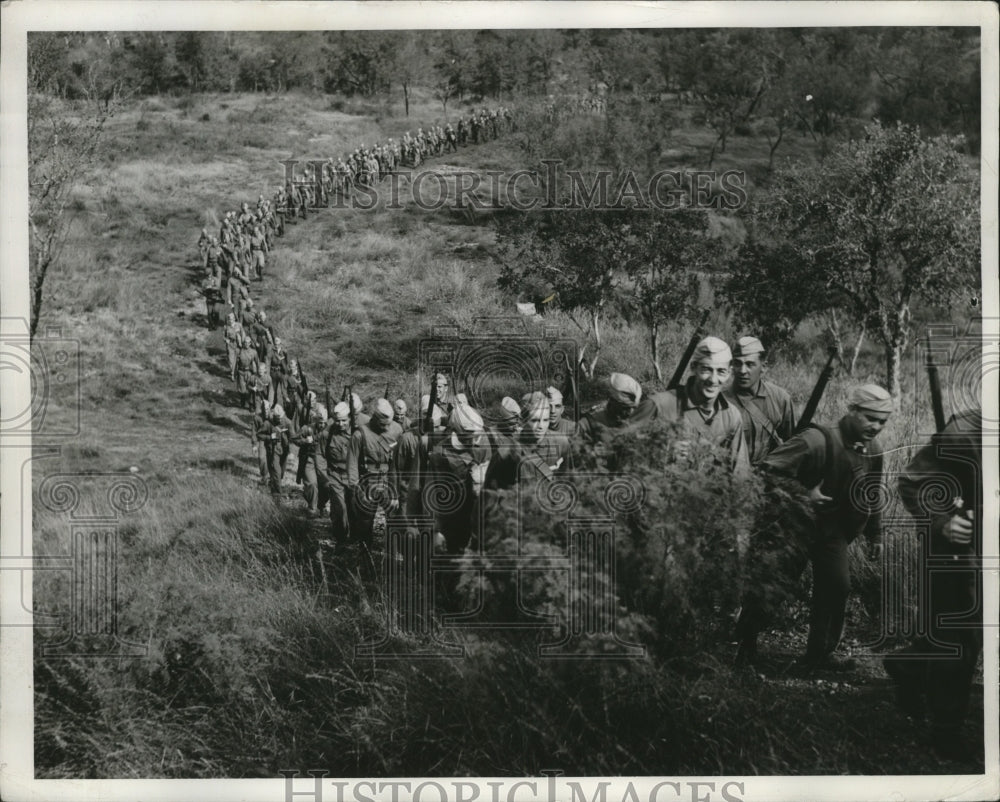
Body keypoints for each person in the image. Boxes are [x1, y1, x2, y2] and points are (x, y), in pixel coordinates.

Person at [735, 383, 892, 670]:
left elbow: (871, 492)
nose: (876, 426)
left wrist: (875, 534)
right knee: (773, 587)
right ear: (853, 410)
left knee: (837, 587)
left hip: (833, 531)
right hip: (792, 525)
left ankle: (819, 655)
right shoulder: (816, 439)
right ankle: (744, 648)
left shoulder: (874, 449)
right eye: (870, 417)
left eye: (882, 421)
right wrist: (804, 494)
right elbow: (767, 471)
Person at [884, 408, 983, 760]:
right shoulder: (965, 431)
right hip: (958, 548)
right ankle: (946, 731)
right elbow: (913, 481)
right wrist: (942, 521)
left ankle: (909, 665)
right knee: (962, 635)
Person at [648, 336, 750, 476]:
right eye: (706, 370)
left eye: (721, 371)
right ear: (693, 368)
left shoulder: (731, 416)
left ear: (729, 373)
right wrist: (662, 452)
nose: (713, 380)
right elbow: (620, 453)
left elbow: (740, 474)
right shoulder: (658, 405)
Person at [426, 403, 492, 555]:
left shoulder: (483, 444)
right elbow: (432, 494)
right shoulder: (440, 454)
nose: (476, 440)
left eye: (478, 435)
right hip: (452, 520)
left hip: (478, 517)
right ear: (458, 431)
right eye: (471, 436)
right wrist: (436, 531)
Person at [725, 336, 796, 466]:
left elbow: (791, 444)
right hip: (731, 477)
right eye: (737, 363)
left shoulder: (780, 398)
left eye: (750, 364)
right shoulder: (721, 401)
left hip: (768, 477)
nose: (742, 371)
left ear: (763, 367)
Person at [347, 398, 400, 550]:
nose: (387, 427)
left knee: (394, 517)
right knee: (365, 520)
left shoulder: (397, 430)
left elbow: (400, 460)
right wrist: (355, 488)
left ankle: (392, 552)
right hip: (368, 481)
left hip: (390, 480)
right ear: (375, 419)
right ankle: (365, 552)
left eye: (389, 423)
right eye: (383, 424)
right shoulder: (360, 434)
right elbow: (352, 463)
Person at [319, 402, 353, 545]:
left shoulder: (358, 433)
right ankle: (341, 539)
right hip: (335, 475)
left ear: (350, 418)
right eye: (337, 421)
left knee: (353, 509)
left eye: (344, 420)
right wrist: (325, 479)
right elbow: (320, 456)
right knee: (340, 508)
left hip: (353, 477)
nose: (340, 424)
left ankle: (353, 536)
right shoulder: (327, 434)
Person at [260, 404, 293, 497]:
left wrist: (288, 438)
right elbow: (260, 435)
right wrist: (270, 437)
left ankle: (273, 484)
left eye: (281, 417)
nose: (279, 420)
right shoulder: (268, 423)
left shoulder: (287, 422)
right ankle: (277, 495)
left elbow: (293, 437)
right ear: (273, 416)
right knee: (277, 472)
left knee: (281, 473)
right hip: (273, 450)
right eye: (277, 418)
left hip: (284, 450)